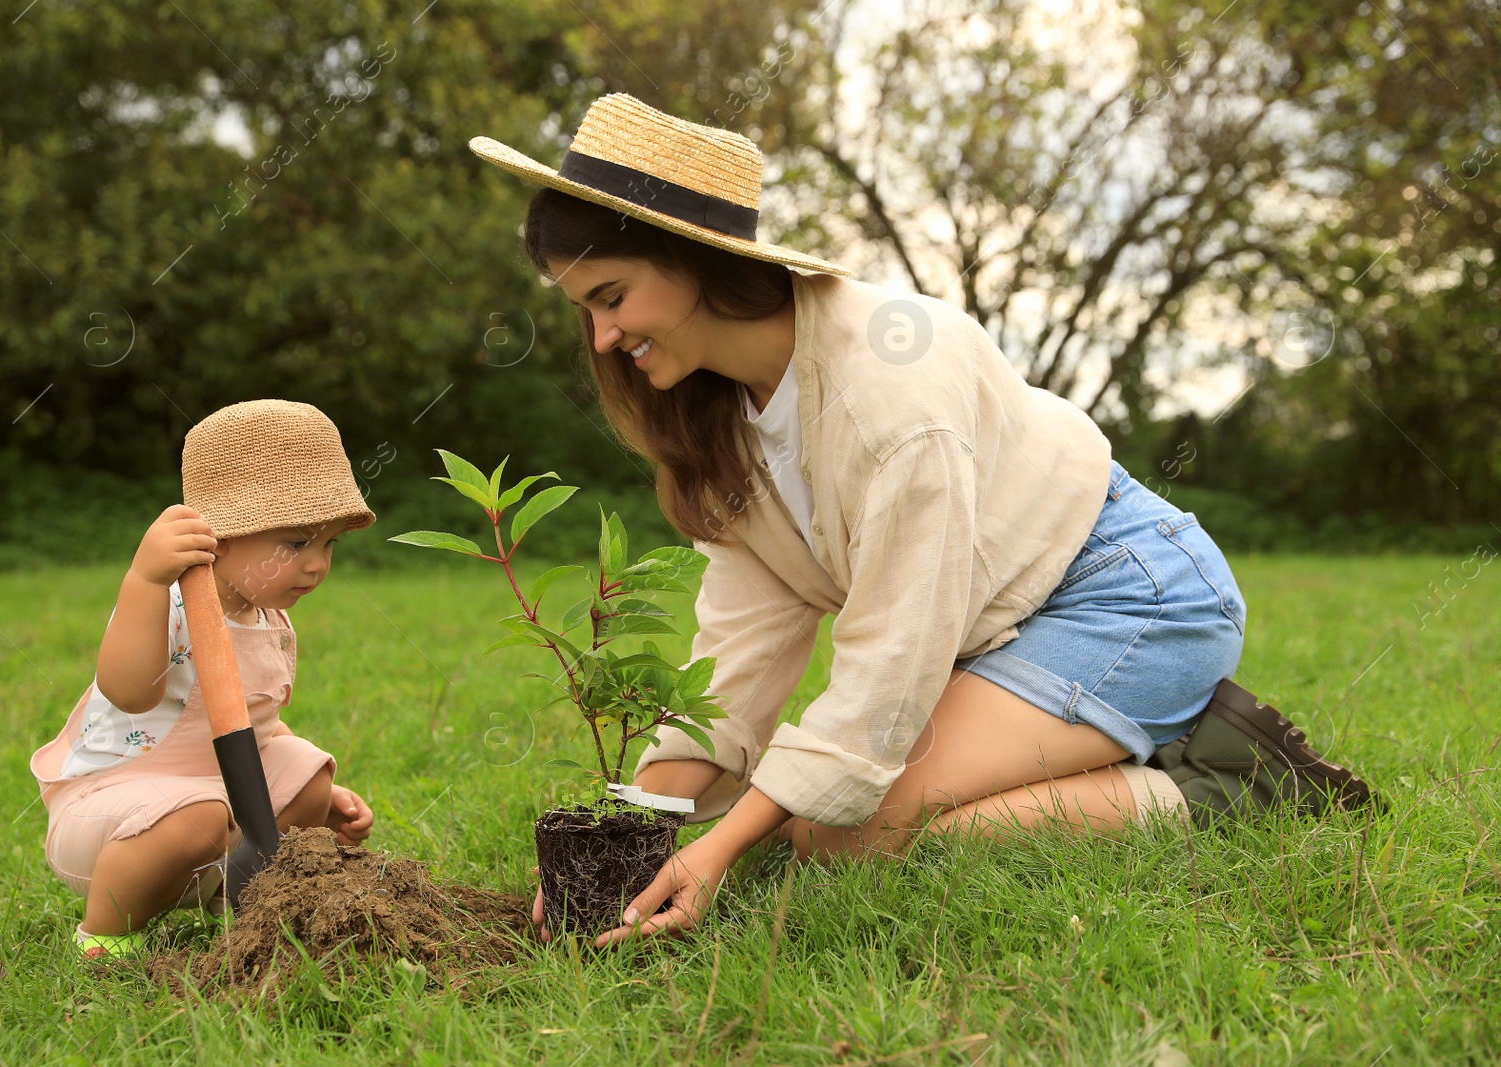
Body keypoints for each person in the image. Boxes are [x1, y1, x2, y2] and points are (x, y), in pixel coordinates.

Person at [470, 94, 1375, 947]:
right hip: (1002, 624)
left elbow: (889, 663)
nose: (599, 340)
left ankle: (1228, 783)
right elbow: (739, 649)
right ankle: (1109, 737)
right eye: (583, 308)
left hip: (1130, 597)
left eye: (611, 298)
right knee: (820, 822)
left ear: (691, 257)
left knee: (842, 838)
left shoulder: (891, 390)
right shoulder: (724, 412)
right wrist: (641, 831)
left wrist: (720, 848)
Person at [30, 399, 376, 959]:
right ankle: (103, 937)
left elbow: (259, 727)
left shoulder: (271, 621)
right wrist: (143, 578)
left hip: (216, 807)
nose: (316, 565)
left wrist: (316, 794)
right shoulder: (165, 606)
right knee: (197, 814)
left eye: (328, 543)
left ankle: (252, 898)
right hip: (112, 819)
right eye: (295, 543)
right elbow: (128, 690)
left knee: (308, 771)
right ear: (223, 536)